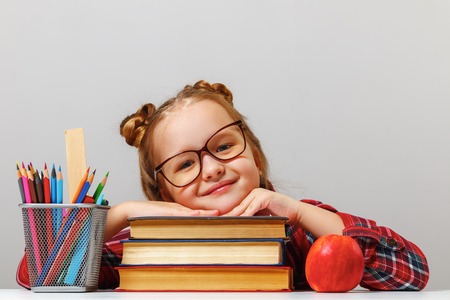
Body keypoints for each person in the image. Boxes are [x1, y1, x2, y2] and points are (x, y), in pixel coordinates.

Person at [15, 80, 430, 291]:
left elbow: (410, 274)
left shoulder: (302, 229)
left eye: (224, 146)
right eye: (185, 165)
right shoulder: (140, 249)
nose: (211, 169)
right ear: (163, 194)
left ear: (255, 154)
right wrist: (121, 214)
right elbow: (40, 276)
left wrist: (301, 213)